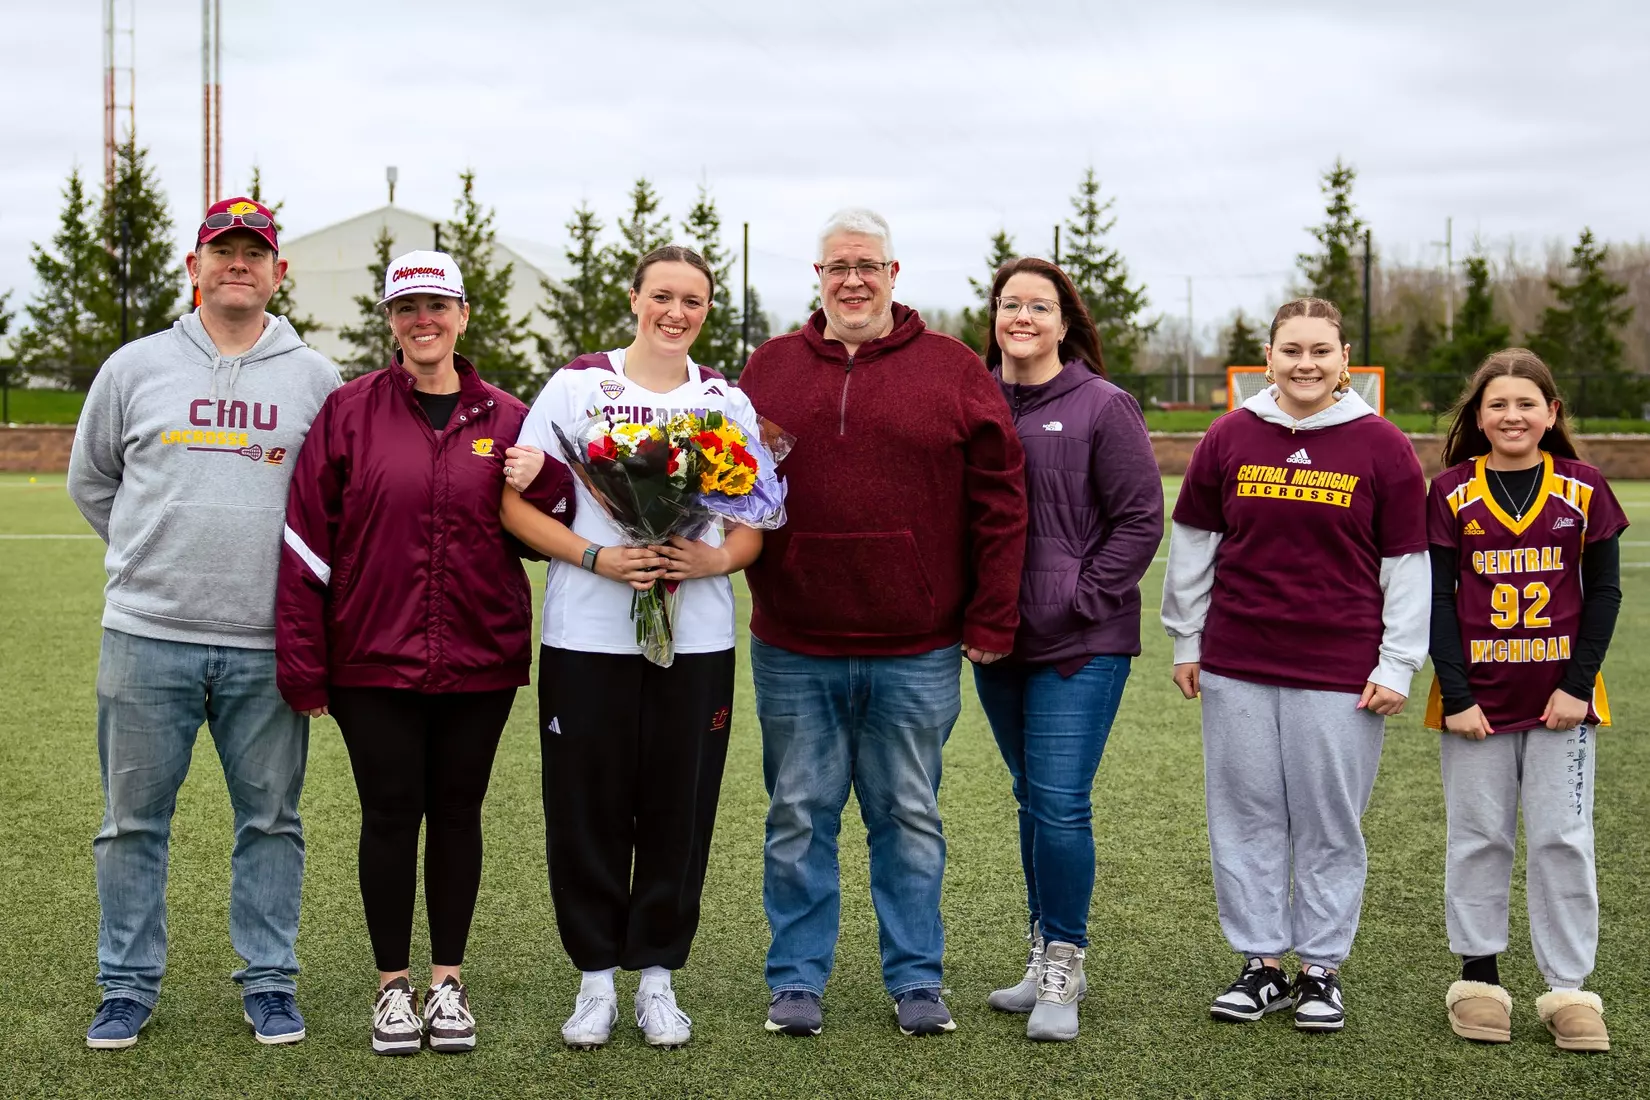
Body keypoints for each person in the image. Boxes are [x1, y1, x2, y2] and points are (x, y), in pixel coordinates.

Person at [737, 208, 1028, 1038]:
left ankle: (916, 980)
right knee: (798, 814)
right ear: (818, 277)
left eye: (868, 265)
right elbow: (730, 488)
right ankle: (795, 980)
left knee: (908, 817)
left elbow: (1002, 501)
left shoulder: (954, 369)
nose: (852, 280)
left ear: (895, 276)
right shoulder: (769, 368)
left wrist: (992, 613)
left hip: (917, 646)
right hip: (794, 643)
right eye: (837, 267)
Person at [276, 251, 575, 1054]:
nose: (424, 321)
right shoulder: (349, 411)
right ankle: (391, 991)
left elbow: (553, 531)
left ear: (463, 315)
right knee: (388, 815)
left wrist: (544, 480)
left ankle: (447, 982)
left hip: (479, 657)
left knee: (457, 815)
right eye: (408, 309)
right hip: (371, 657)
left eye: (437, 306)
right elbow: (306, 541)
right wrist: (303, 662)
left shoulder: (510, 417)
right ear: (391, 322)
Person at [67, 197, 341, 1049]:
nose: (238, 264)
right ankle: (126, 984)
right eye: (222, 250)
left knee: (270, 821)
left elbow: (334, 501)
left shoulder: (315, 377)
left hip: (268, 645)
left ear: (276, 272)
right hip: (147, 636)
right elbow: (93, 481)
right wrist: (155, 554)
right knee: (131, 822)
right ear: (194, 267)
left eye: (254, 253)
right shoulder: (134, 366)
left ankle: (268, 982)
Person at [501, 245, 762, 1051]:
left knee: (679, 808)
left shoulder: (726, 399)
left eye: (692, 300)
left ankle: (656, 978)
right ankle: (592, 982)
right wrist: (597, 557)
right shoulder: (581, 386)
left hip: (698, 637)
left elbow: (755, 519)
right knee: (587, 806)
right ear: (635, 298)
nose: (675, 312)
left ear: (706, 310)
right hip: (587, 635)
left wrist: (712, 558)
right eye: (662, 296)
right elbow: (515, 501)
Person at [1160, 297, 1428, 1032]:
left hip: (1342, 669)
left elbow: (1407, 565)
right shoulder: (1228, 436)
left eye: (1320, 350)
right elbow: (1194, 544)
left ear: (1346, 360)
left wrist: (1398, 662)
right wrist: (1188, 639)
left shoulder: (1384, 446)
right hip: (1238, 661)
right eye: (1291, 350)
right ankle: (1261, 964)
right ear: (1268, 357)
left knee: (1328, 821)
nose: (1305, 364)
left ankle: (1321, 968)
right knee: (1244, 815)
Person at [972, 258, 1162, 1041]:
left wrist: (1074, 601)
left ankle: (1064, 964)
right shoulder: (974, 399)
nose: (1022, 317)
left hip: (1079, 645)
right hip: (996, 642)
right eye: (1009, 303)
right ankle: (1038, 949)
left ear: (1063, 321)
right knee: (1029, 798)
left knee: (1059, 802)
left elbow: (1140, 522)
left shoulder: (1102, 405)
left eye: (1038, 306)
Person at [1423, 350, 1625, 1053]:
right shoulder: (1450, 492)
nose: (1512, 416)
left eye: (1526, 404)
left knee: (1562, 838)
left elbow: (1604, 593)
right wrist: (1455, 694)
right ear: (1478, 417)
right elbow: (1437, 604)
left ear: (1552, 413)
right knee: (1478, 836)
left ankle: (1568, 987)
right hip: (1475, 700)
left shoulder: (1585, 488)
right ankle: (1479, 979)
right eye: (1497, 405)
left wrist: (1576, 685)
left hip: (1560, 701)